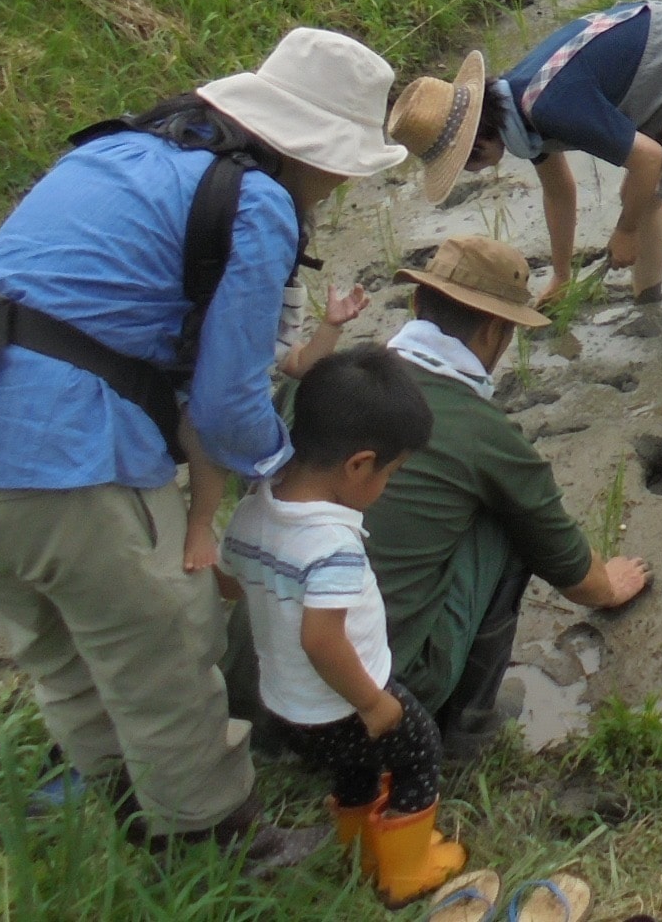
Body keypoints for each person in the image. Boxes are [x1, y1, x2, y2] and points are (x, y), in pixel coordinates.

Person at [0, 28, 405, 867]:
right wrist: (289, 479)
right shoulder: (261, 202)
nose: (342, 184)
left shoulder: (122, 150)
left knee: (64, 652)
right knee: (167, 646)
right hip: (58, 459)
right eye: (345, 165)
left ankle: (133, 816)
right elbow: (229, 399)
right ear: (318, 152)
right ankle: (219, 848)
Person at [217, 348, 487, 909]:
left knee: (356, 771)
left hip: (286, 704)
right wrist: (371, 702)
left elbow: (229, 582)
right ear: (360, 465)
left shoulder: (253, 511)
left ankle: (360, 847)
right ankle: (406, 871)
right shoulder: (331, 543)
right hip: (344, 700)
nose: (388, 483)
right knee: (417, 753)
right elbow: (322, 641)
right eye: (392, 472)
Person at [361, 237, 648, 756]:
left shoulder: (325, 382)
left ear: (416, 304)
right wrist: (610, 584)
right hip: (380, 697)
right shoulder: (484, 433)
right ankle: (463, 730)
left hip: (271, 674)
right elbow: (577, 578)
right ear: (496, 329)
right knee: (509, 520)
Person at [390, 0, 662, 353]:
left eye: (463, 163)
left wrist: (626, 231)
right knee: (639, 195)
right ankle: (648, 302)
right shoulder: (514, 107)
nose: (470, 172)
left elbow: (648, 158)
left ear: (476, 140)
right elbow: (558, 191)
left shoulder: (549, 106)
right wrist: (561, 275)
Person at [183, 274, 371, 572]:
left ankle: (258, 538)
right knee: (202, 437)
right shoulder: (223, 317)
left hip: (255, 418)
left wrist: (331, 326)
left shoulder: (260, 322)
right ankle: (200, 524)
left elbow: (300, 364)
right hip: (204, 405)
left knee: (281, 474)